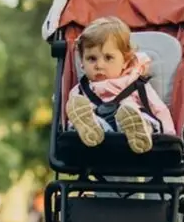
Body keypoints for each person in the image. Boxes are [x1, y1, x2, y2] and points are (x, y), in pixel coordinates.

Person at [66, 16, 176, 154]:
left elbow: (159, 109)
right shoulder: (80, 91)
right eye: (91, 59)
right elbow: (73, 115)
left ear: (125, 61)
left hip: (136, 129)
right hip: (103, 137)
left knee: (136, 114)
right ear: (82, 62)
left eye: (108, 58)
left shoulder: (135, 83)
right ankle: (91, 128)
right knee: (86, 117)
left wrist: (170, 137)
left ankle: (137, 130)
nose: (99, 65)